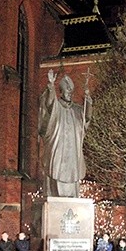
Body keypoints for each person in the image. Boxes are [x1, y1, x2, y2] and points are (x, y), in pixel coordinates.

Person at [38, 69, 92, 197]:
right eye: (67, 91)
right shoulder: (57, 107)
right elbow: (50, 104)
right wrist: (51, 86)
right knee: (56, 171)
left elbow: (87, 118)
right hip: (58, 150)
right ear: (61, 92)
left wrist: (88, 100)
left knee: (73, 176)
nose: (70, 94)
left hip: (73, 155)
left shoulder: (77, 110)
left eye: (71, 92)